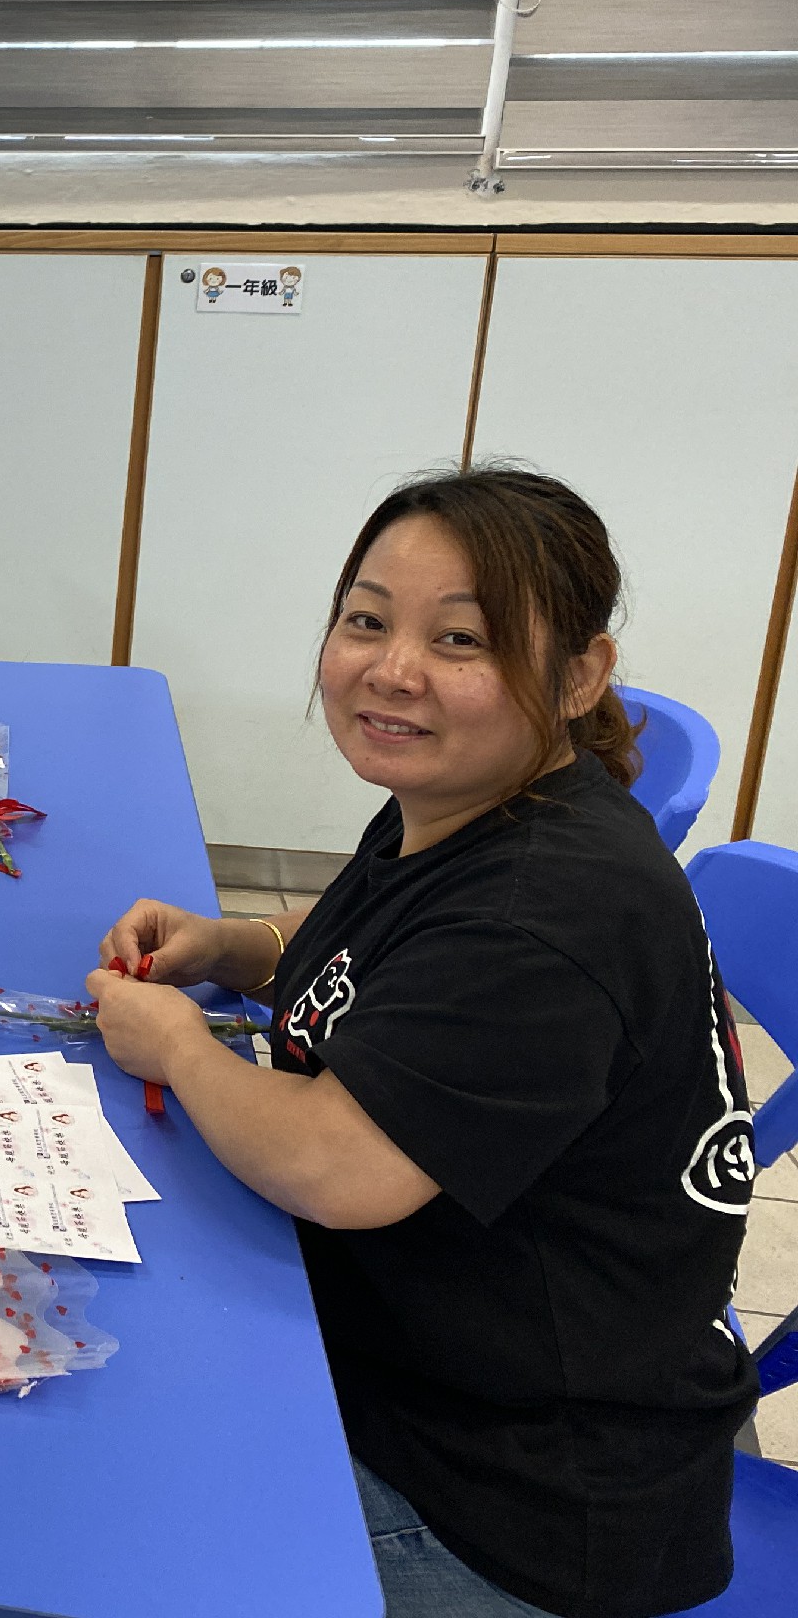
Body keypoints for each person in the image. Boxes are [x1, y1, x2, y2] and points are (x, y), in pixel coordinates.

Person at [86, 467, 754, 1618]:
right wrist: (235, 948)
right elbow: (385, 959)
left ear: (581, 673)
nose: (392, 670)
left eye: (461, 639)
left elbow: (335, 1166)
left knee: (99, 1498)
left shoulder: (544, 914)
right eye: (366, 620)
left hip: (509, 1508)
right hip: (448, 1373)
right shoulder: (473, 805)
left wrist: (182, 1046)